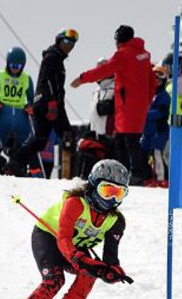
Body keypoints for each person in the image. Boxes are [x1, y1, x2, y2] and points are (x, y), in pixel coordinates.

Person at [0, 159, 133, 299]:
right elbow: (64, 240)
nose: (111, 200)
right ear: (93, 185)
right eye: (107, 191)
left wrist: (111, 272)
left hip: (75, 247)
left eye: (119, 193)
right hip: (49, 237)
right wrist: (81, 260)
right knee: (54, 279)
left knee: (89, 274)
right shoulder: (75, 203)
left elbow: (110, 259)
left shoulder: (115, 221)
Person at [71, 25, 155, 186]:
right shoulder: (143, 55)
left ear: (119, 41)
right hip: (138, 107)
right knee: (127, 141)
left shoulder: (123, 55)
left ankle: (135, 174)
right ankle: (131, 173)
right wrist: (147, 100)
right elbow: (151, 79)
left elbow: (103, 70)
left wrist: (82, 78)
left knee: (127, 142)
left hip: (126, 107)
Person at [6, 29, 78, 177]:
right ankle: (72, 174)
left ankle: (15, 163)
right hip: (48, 103)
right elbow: (48, 81)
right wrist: (52, 103)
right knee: (68, 135)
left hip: (43, 103)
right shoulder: (52, 57)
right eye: (66, 41)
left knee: (40, 140)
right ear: (59, 40)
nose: (69, 45)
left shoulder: (55, 58)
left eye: (72, 43)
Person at [0, 47, 35, 169]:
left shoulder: (27, 78)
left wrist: (30, 107)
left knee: (29, 140)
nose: (15, 68)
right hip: (5, 111)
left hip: (21, 112)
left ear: (23, 65)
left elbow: (31, 98)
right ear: (7, 62)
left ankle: (32, 168)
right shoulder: (0, 76)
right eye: (12, 64)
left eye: (18, 66)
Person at [141, 64, 171, 185]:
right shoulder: (148, 94)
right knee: (146, 154)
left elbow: (161, 112)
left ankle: (162, 179)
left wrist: (144, 114)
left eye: (159, 78)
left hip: (159, 130)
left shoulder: (164, 96)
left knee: (158, 154)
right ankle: (149, 177)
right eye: (154, 78)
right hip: (147, 131)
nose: (156, 80)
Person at [88, 58, 116, 137]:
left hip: (110, 136)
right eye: (98, 70)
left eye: (103, 70)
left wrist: (110, 106)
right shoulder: (96, 92)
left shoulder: (116, 87)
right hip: (96, 137)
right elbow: (93, 116)